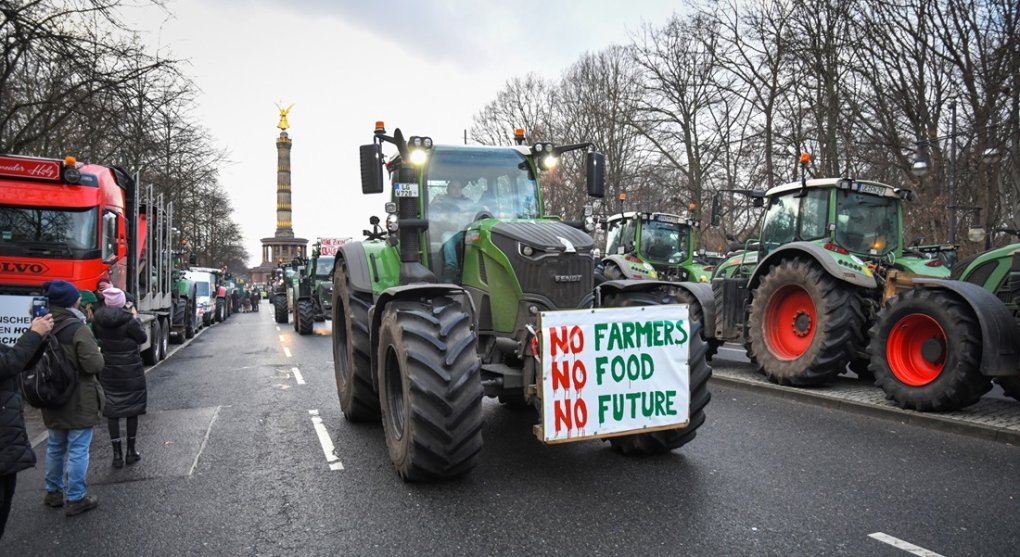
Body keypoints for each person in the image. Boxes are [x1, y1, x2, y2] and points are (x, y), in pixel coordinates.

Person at [40, 280, 104, 516]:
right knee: (78, 448)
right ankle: (76, 497)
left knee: (55, 446)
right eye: (77, 296)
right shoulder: (77, 328)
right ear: (71, 301)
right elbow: (93, 364)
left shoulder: (40, 324)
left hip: (51, 395)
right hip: (78, 397)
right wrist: (98, 354)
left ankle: (53, 492)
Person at [0, 314, 54, 539]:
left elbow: (17, 360)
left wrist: (40, 338)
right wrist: (33, 334)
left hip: (6, 441)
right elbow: (8, 365)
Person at [92, 287, 147, 470]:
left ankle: (116, 455)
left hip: (109, 369)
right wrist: (135, 318)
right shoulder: (129, 321)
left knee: (112, 411)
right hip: (131, 369)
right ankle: (131, 451)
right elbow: (142, 338)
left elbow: (97, 339)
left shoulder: (98, 320)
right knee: (132, 409)